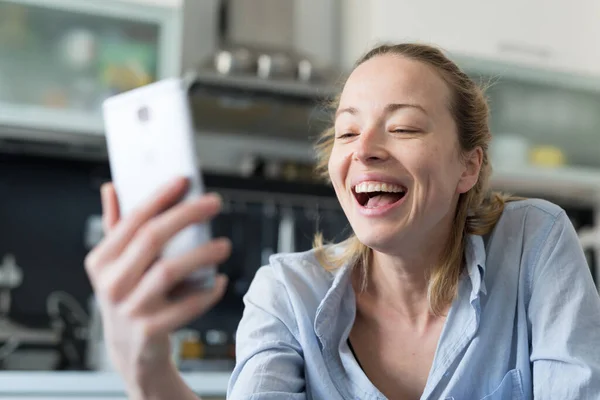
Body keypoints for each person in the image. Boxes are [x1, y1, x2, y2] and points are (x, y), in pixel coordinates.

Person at [85, 42, 600, 400]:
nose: (366, 150)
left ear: (469, 165)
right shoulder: (286, 292)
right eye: (348, 133)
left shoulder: (536, 243)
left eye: (402, 127)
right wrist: (147, 372)